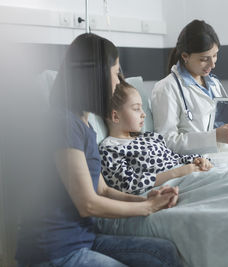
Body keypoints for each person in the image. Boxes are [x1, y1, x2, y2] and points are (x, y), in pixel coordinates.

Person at [15, 33, 182, 267]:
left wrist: (144, 199)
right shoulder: (63, 122)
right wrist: (146, 208)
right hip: (54, 252)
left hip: (84, 240)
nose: (119, 82)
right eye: (116, 73)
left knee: (164, 254)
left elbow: (102, 190)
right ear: (97, 77)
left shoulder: (84, 123)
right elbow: (88, 204)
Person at [151, 19, 228, 155]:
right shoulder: (166, 88)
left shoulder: (214, 83)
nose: (212, 64)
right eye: (204, 59)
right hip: (200, 164)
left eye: (215, 55)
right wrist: (215, 137)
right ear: (185, 56)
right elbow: (166, 142)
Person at [99, 77, 213, 195]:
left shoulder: (149, 138)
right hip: (174, 185)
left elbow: (175, 157)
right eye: (136, 109)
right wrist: (177, 172)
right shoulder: (111, 149)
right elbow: (128, 185)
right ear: (115, 116)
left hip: (191, 174)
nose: (143, 114)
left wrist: (198, 159)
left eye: (142, 108)